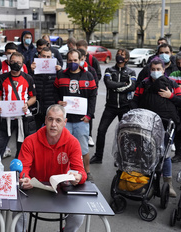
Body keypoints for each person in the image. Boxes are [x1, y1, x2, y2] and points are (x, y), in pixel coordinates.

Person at [17, 104, 87, 232]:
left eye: (58, 120)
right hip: (34, 188)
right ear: (45, 120)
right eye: (50, 119)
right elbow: (23, 169)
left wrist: (79, 177)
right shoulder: (30, 141)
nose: (53, 124)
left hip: (60, 189)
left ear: (65, 122)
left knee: (79, 214)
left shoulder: (73, 142)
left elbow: (81, 172)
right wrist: (24, 179)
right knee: (17, 212)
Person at [131, 57, 181, 197]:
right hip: (146, 125)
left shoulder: (172, 84)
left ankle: (168, 184)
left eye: (158, 69)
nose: (155, 72)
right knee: (144, 153)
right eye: (153, 69)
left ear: (164, 70)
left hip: (167, 126)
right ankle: (143, 182)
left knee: (164, 155)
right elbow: (135, 101)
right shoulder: (144, 84)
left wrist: (170, 96)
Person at [54, 49, 97, 182]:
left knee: (83, 149)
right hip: (65, 121)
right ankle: (61, 172)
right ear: (67, 60)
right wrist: (58, 102)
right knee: (62, 148)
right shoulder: (61, 75)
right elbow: (54, 92)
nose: (73, 63)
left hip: (81, 121)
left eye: (75, 60)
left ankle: (87, 172)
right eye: (70, 60)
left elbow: (93, 97)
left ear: (80, 60)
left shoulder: (88, 76)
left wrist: (89, 115)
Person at [90, 49, 136, 164]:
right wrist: (122, 85)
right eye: (118, 54)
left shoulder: (131, 72)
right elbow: (109, 84)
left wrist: (117, 88)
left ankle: (122, 158)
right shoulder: (109, 69)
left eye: (122, 54)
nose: (119, 56)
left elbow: (132, 86)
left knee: (124, 134)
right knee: (101, 130)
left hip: (125, 107)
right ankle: (98, 156)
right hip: (110, 107)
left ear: (126, 59)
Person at [0, 42, 28, 158]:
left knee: (21, 142)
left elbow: (27, 89)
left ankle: (19, 167)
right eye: (9, 54)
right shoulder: (1, 68)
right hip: (5, 111)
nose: (11, 56)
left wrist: (26, 104)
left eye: (13, 53)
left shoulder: (25, 72)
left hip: (20, 113)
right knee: (1, 138)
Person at [0, 52, 37, 158]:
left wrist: (27, 104)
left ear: (23, 64)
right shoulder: (2, 78)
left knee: (22, 147)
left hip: (22, 117)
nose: (15, 64)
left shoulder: (28, 78)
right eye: (13, 61)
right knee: (0, 145)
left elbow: (33, 97)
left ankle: (18, 171)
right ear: (9, 62)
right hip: (6, 117)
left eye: (18, 62)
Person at [76, 40, 101, 147]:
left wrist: (91, 87)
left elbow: (98, 75)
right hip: (77, 94)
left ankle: (89, 135)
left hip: (87, 92)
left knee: (88, 114)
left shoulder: (92, 62)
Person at [30, 47, 61, 129]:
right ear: (39, 56)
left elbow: (61, 86)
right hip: (36, 107)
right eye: (43, 56)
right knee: (34, 132)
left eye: (48, 57)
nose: (46, 59)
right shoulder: (33, 68)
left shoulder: (56, 70)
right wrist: (31, 71)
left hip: (50, 107)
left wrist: (60, 72)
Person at [168, 51, 181, 163]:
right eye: (178, 63)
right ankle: (178, 153)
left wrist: (179, 87)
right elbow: (170, 90)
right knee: (178, 131)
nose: (180, 66)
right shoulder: (174, 74)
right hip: (177, 109)